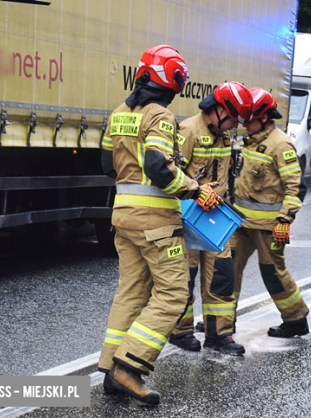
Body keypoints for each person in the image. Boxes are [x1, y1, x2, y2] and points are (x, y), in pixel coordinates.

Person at [98, 45, 223, 405]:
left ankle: (110, 371)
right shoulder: (161, 117)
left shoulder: (119, 113)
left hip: (122, 217)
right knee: (173, 295)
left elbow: (106, 164)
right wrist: (195, 189)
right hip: (156, 222)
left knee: (131, 292)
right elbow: (156, 166)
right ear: (172, 81)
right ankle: (129, 367)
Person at [169, 82, 252, 355]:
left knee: (222, 276)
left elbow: (225, 177)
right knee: (186, 276)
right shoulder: (188, 131)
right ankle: (180, 331)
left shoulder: (224, 135)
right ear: (219, 109)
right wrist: (192, 197)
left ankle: (219, 335)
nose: (234, 125)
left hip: (216, 217)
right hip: (190, 216)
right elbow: (172, 176)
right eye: (232, 118)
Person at [231, 87, 310, 338]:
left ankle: (296, 319)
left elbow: (295, 188)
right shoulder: (250, 142)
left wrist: (284, 220)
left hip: (269, 228)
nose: (245, 125)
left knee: (273, 273)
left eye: (249, 120)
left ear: (264, 118)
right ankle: (221, 322)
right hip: (241, 224)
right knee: (226, 269)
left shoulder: (280, 144)